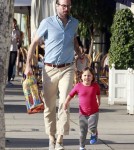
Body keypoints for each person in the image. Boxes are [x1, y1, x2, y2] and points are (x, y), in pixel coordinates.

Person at [24, 0, 83, 149]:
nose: (66, 8)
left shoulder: (75, 23)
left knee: (64, 102)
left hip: (67, 68)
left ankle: (60, 140)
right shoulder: (47, 22)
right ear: (57, 6)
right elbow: (33, 44)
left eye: (69, 6)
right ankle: (51, 136)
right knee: (49, 106)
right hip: (49, 70)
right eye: (63, 6)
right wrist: (27, 66)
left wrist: (80, 53)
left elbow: (74, 42)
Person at [63, 67, 101, 150]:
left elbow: (98, 94)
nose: (87, 77)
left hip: (94, 112)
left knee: (92, 127)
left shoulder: (95, 86)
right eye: (85, 75)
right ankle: (82, 147)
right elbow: (70, 95)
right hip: (82, 113)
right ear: (81, 77)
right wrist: (66, 103)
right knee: (82, 132)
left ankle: (94, 133)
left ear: (92, 77)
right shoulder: (78, 86)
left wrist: (99, 101)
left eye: (89, 76)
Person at [7, 18, 20, 85]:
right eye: (13, 23)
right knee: (7, 65)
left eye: (15, 23)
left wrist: (18, 41)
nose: (14, 24)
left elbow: (18, 41)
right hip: (7, 50)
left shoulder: (17, 31)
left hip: (14, 49)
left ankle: (9, 79)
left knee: (11, 65)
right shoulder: (7, 30)